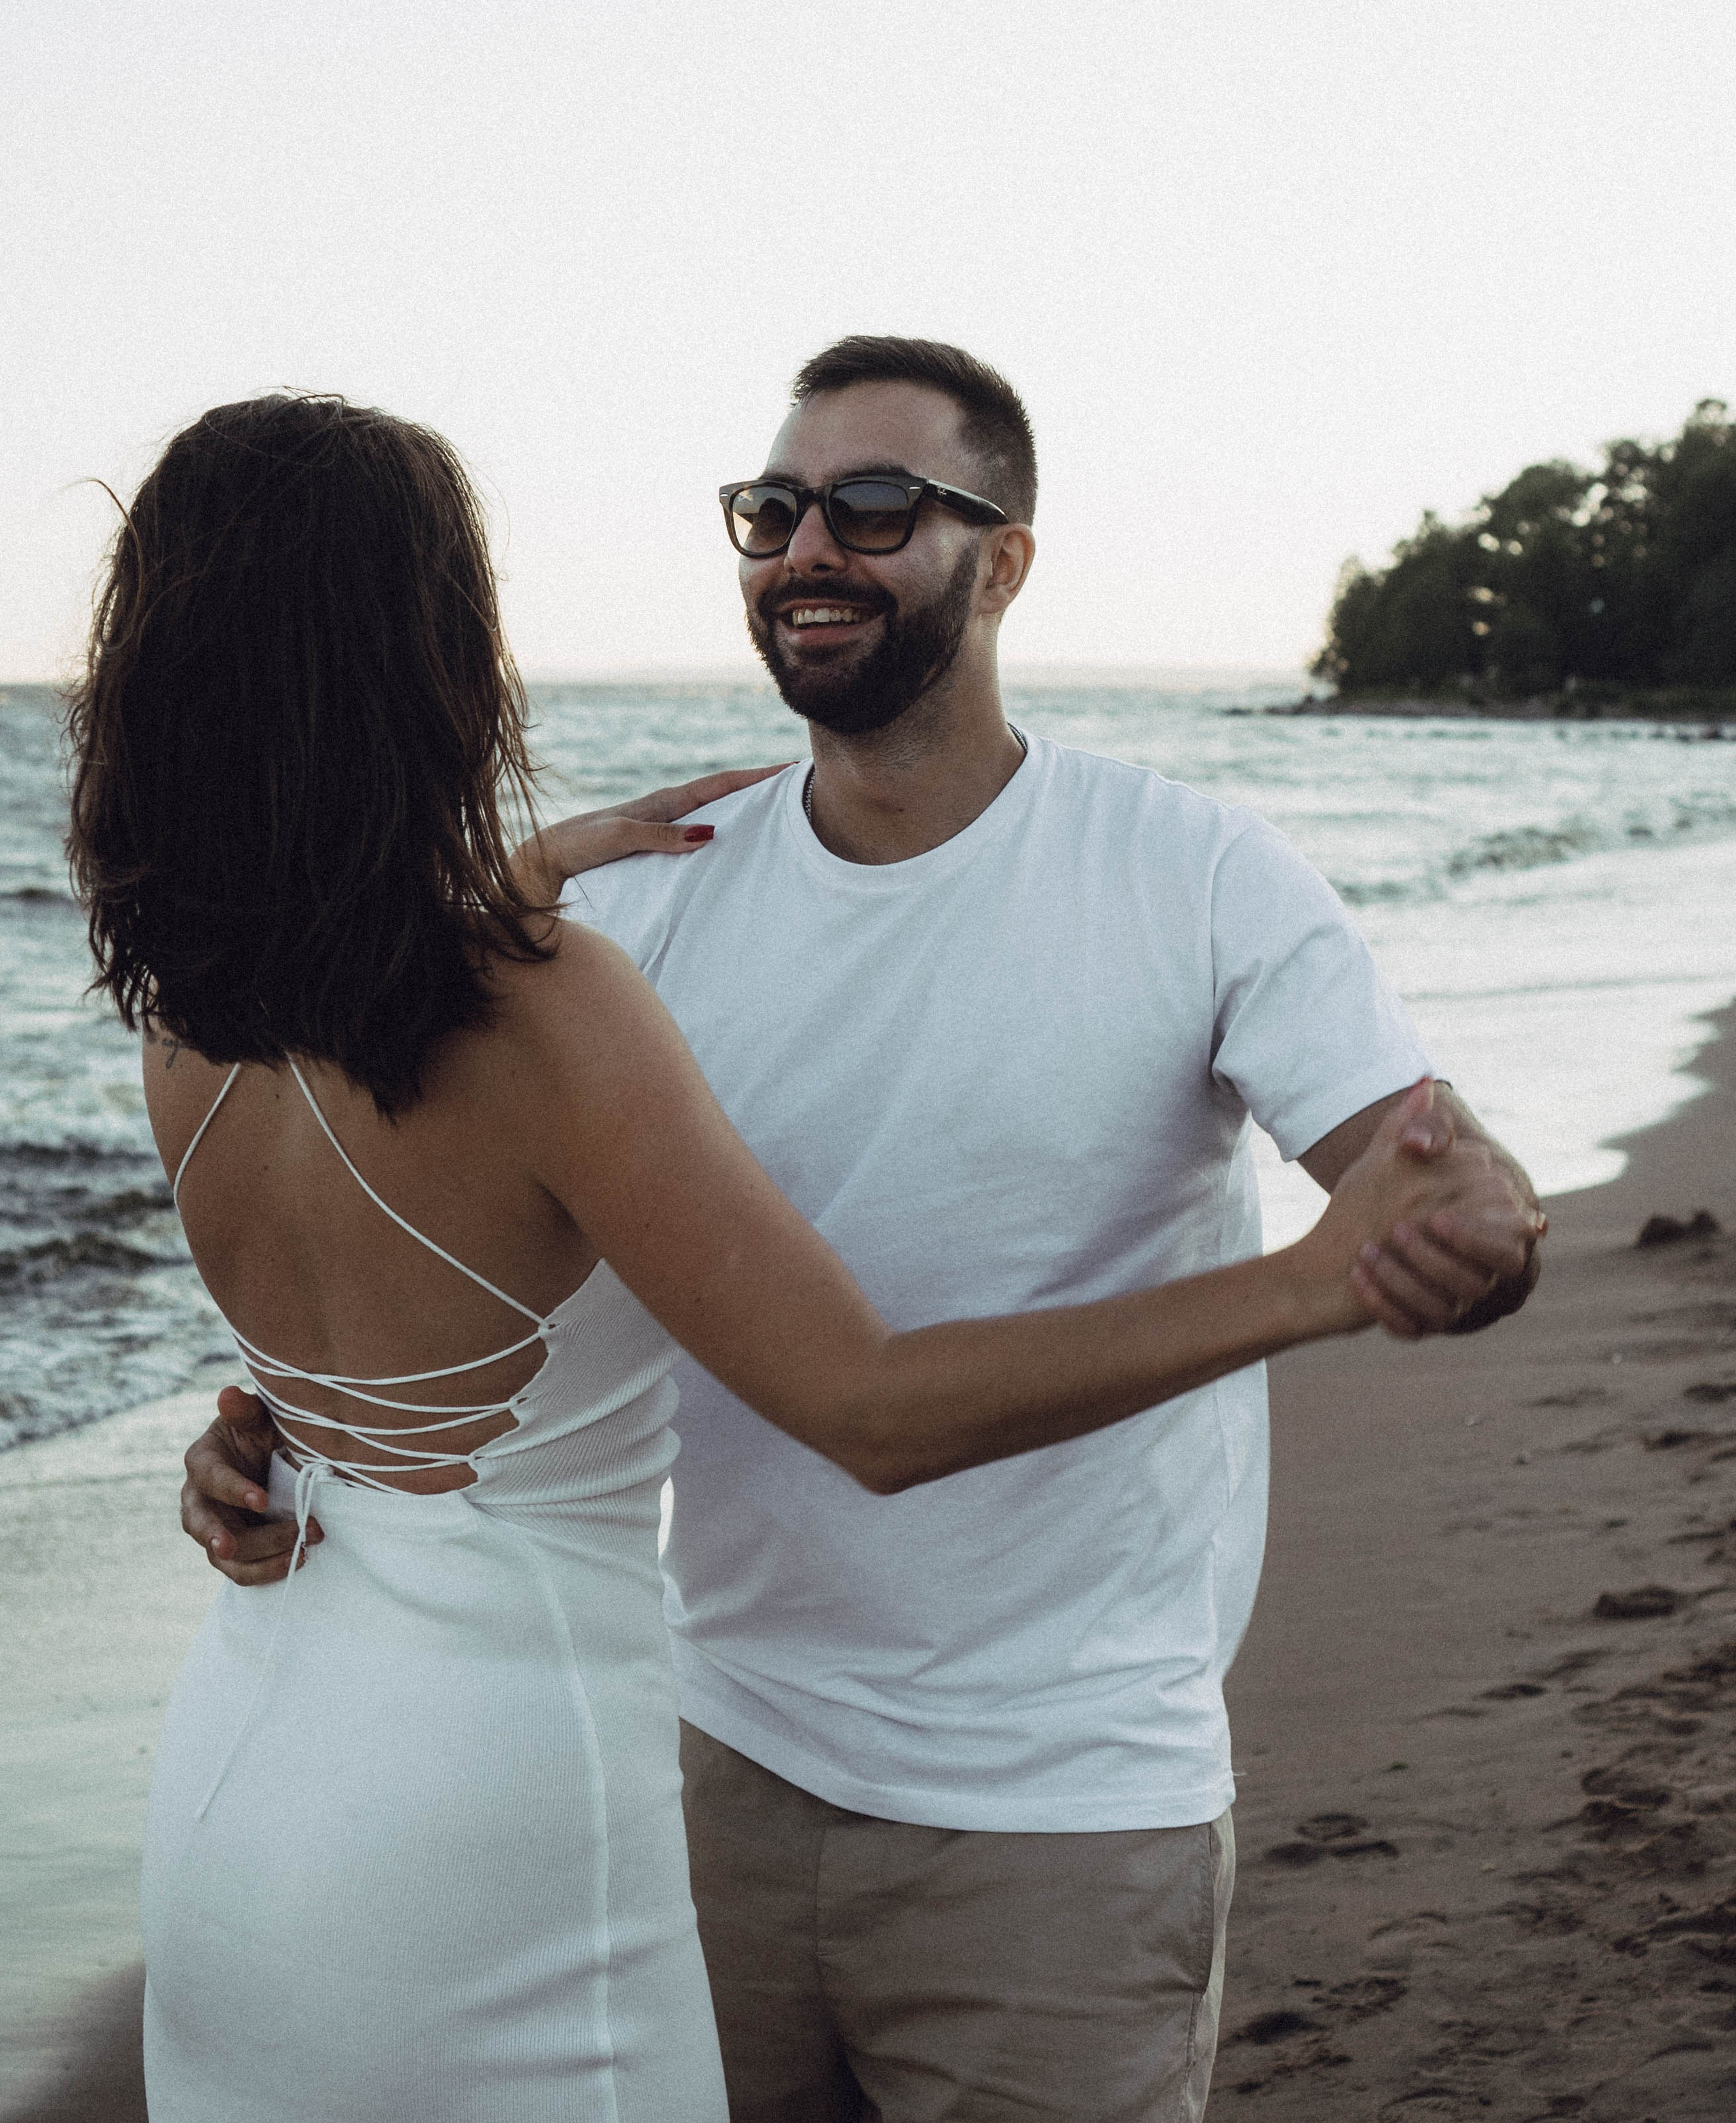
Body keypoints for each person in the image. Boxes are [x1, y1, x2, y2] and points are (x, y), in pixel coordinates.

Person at [178, 346, 1544, 2122]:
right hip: (708, 1766)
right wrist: (298, 1429)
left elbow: (1425, 1157)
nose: (809, 547)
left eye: (876, 507)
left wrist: (1468, 1224)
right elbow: (421, 1165)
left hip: (1059, 1803)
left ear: (1009, 560)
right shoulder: (653, 888)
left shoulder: (1194, 873)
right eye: (775, 509)